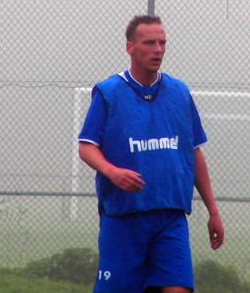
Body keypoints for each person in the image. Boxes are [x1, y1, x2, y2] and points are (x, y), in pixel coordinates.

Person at [78, 15, 224, 293]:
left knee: (178, 288)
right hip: (124, 216)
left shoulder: (179, 92)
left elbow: (193, 153)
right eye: (149, 43)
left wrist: (213, 211)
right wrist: (112, 171)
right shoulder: (109, 92)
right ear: (130, 47)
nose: (158, 49)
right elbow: (86, 146)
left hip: (171, 217)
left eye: (162, 42)